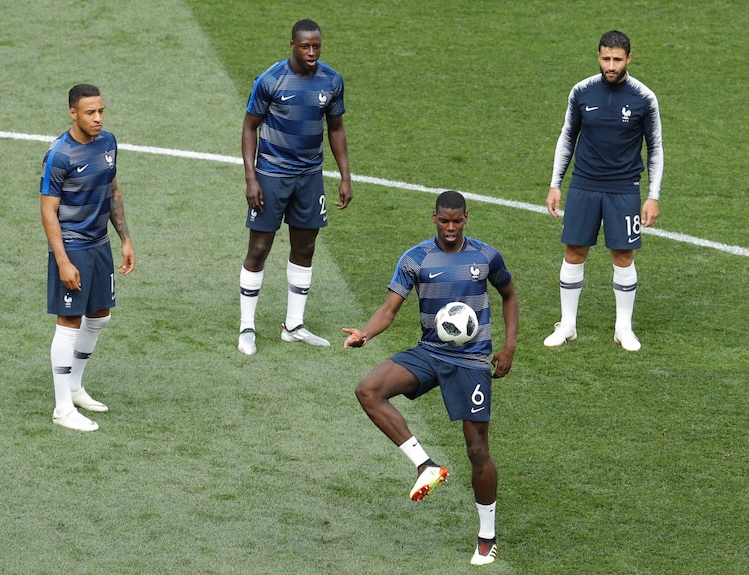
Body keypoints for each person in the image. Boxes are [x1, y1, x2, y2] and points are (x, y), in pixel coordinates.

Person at [343, 191, 518, 566]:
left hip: (471, 361)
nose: (450, 228)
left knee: (477, 450)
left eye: (457, 221)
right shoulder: (416, 258)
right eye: (444, 221)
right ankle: (426, 466)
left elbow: (508, 294)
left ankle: (487, 537)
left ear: (466, 219)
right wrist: (365, 334)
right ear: (433, 218)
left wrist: (509, 347)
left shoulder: (485, 256)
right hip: (431, 352)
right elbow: (390, 308)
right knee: (369, 390)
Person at [237, 18, 353, 356]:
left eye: (316, 46)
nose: (312, 52)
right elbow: (249, 128)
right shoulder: (270, 80)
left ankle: (294, 325)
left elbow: (336, 129)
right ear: (293, 45)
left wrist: (345, 176)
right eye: (305, 46)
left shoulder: (331, 81)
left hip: (310, 176)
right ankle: (247, 327)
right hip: (271, 175)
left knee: (305, 248)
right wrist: (251, 177)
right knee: (259, 249)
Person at [544, 30, 664, 352]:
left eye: (617, 59)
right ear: (598, 56)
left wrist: (653, 195)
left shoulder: (644, 98)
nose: (610, 66)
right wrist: (556, 184)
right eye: (605, 58)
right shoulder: (581, 92)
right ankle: (567, 325)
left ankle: (623, 328)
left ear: (629, 58)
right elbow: (567, 138)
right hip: (583, 184)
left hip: (625, 189)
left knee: (623, 256)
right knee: (574, 251)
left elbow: (655, 148)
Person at [40, 84, 135, 431]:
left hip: (99, 243)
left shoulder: (108, 143)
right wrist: (63, 261)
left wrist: (124, 238)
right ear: (73, 113)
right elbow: (48, 212)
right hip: (73, 244)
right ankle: (62, 408)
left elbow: (112, 189)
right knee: (70, 320)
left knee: (99, 316)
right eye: (90, 113)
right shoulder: (59, 155)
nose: (97, 118)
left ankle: (75, 387)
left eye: (101, 111)